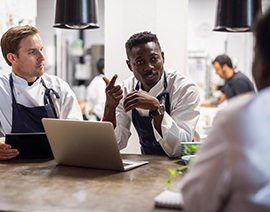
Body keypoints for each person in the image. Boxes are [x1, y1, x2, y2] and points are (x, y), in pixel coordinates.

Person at [180, 8, 270, 212]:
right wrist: (196, 101)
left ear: (262, 65)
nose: (216, 73)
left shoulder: (241, 113)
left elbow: (196, 199)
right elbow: (216, 100)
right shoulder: (229, 83)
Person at [102, 31, 200, 157]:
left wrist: (156, 109)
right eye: (139, 62)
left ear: (163, 57)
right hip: (149, 164)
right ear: (129, 66)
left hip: (183, 164)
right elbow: (113, 145)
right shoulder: (124, 91)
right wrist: (109, 107)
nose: (148, 67)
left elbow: (180, 148)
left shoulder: (184, 88)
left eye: (154, 59)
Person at [0, 26, 83, 160]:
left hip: (56, 169)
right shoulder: (1, 88)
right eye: (32, 52)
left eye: (41, 50)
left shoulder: (58, 87)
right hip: (11, 171)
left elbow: (76, 134)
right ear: (12, 58)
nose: (42, 57)